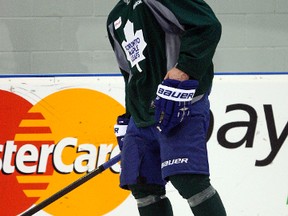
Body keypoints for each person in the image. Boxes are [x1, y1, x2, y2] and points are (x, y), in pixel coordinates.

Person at [107, 0, 226, 215]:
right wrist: (128, 115)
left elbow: (208, 26)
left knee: (188, 180)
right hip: (141, 116)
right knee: (142, 185)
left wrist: (184, 68)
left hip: (179, 105)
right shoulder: (115, 18)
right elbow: (131, 74)